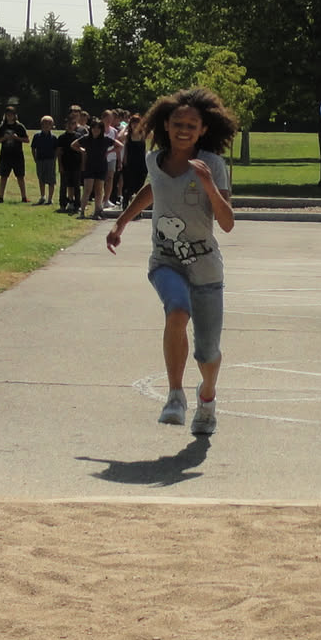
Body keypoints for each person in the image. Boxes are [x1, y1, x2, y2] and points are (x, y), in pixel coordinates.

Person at [105, 87, 238, 435]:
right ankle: (175, 396)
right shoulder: (155, 160)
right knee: (176, 311)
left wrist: (207, 183)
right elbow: (154, 188)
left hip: (205, 266)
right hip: (166, 260)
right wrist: (121, 222)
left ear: (203, 129)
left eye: (191, 125)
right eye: (178, 123)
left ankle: (206, 398)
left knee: (208, 353)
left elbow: (227, 223)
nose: (183, 130)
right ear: (166, 124)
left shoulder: (213, 165)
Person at [0, 107, 29, 203]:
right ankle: (0, 197)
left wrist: (16, 138)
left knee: (20, 176)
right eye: (8, 114)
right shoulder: (2, 127)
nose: (9, 116)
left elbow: (27, 140)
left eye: (11, 114)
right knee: (3, 176)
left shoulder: (19, 127)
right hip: (5, 155)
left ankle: (24, 197)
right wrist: (4, 138)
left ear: (15, 115)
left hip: (17, 155)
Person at [80, 112, 111, 218]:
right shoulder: (86, 138)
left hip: (101, 166)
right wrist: (82, 150)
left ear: (101, 129)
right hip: (90, 166)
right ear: (91, 128)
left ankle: (97, 212)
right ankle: (82, 211)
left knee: (99, 190)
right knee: (87, 189)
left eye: (98, 128)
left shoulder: (105, 139)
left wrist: (109, 152)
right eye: (94, 128)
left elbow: (119, 145)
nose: (96, 130)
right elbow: (74, 145)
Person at [58, 107, 86, 214]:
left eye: (73, 124)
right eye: (69, 124)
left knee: (76, 186)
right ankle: (62, 204)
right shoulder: (61, 138)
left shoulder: (79, 137)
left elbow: (83, 152)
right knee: (64, 186)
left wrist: (83, 164)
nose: (70, 126)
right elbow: (59, 153)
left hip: (76, 164)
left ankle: (77, 205)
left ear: (75, 125)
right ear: (66, 125)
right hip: (65, 164)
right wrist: (60, 165)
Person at [122, 110, 150, 208]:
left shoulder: (144, 135)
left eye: (137, 123)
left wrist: (144, 126)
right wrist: (126, 127)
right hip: (130, 163)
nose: (135, 125)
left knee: (139, 187)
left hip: (142, 164)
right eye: (133, 122)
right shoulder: (128, 136)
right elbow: (120, 137)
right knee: (129, 185)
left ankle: (138, 208)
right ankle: (125, 204)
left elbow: (153, 134)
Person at [31, 114, 59, 206]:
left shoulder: (54, 137)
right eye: (44, 123)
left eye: (49, 124)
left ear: (52, 125)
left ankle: (50, 199)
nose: (46, 126)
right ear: (41, 125)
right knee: (41, 178)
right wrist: (35, 158)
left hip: (50, 160)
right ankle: (42, 196)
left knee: (51, 180)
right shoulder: (37, 136)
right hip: (40, 160)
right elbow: (33, 148)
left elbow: (57, 149)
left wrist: (54, 158)